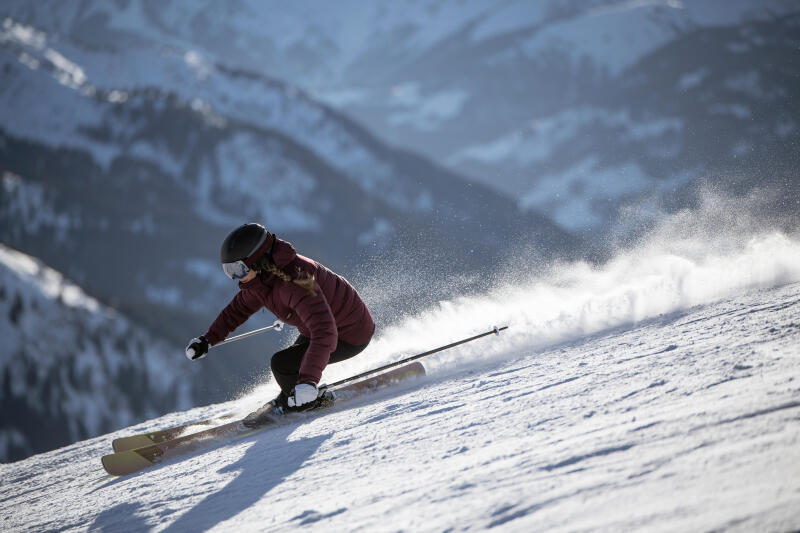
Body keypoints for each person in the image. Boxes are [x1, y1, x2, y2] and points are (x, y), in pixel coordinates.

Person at [185, 223, 375, 421]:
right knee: (290, 366)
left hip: (351, 332)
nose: (234, 277)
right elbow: (236, 311)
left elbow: (325, 331)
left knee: (282, 364)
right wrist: (207, 340)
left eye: (238, 269)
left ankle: (311, 401)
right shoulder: (263, 280)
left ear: (256, 261)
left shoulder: (295, 282)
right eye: (228, 271)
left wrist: (308, 382)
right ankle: (291, 398)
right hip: (326, 327)